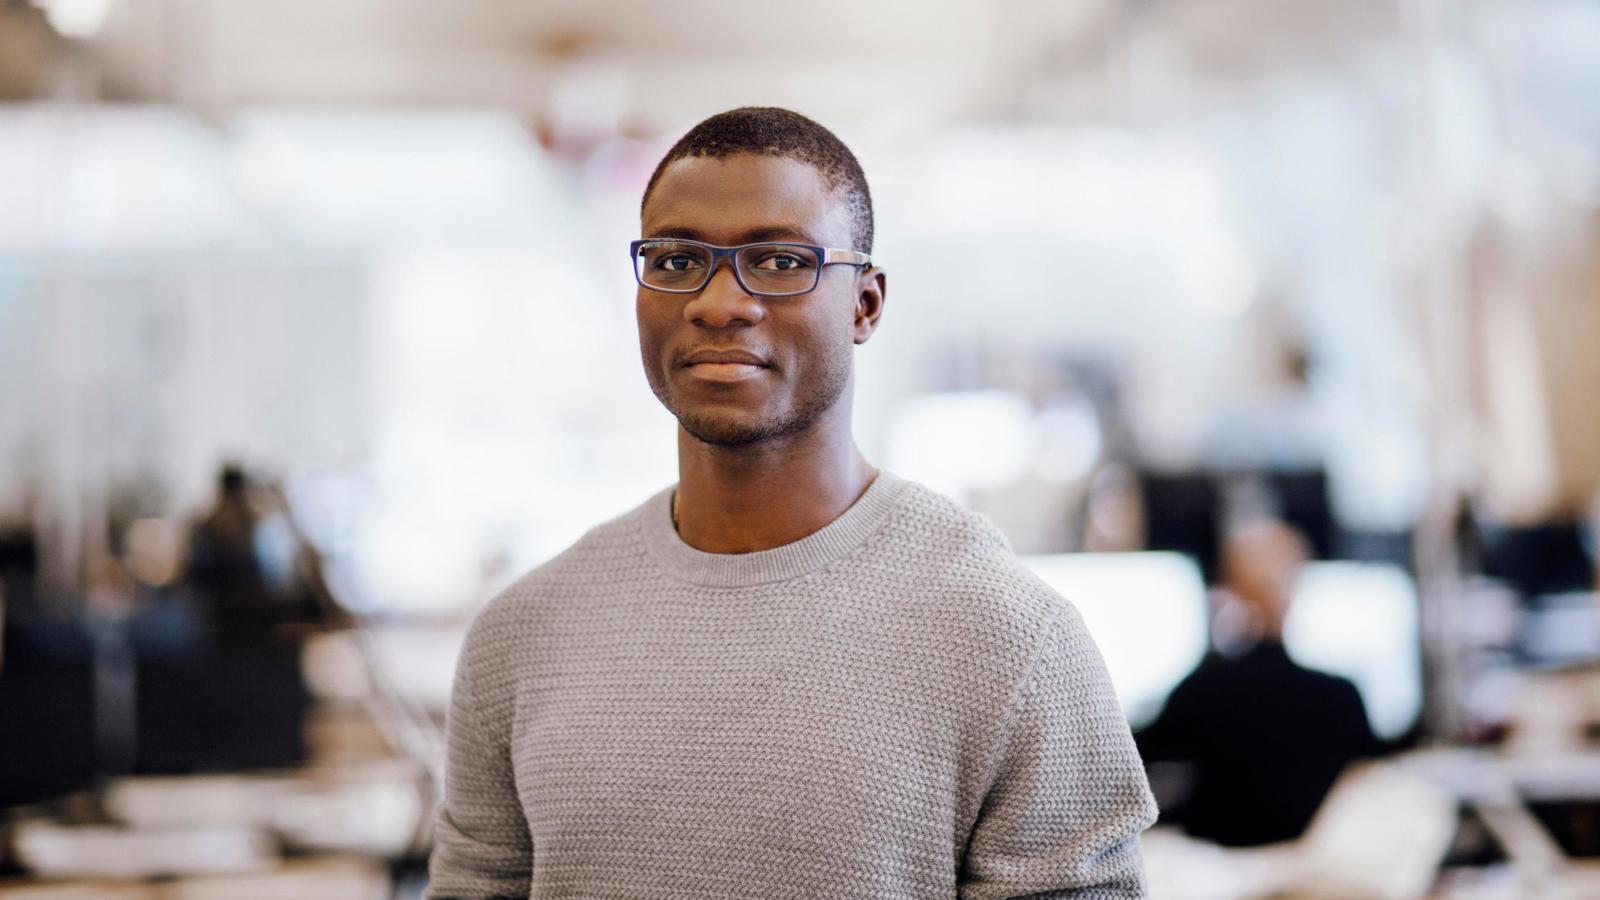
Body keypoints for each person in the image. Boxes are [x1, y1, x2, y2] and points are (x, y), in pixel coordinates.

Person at [425, 107, 1156, 898]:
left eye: (777, 261)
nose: (718, 302)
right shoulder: (522, 637)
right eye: (676, 259)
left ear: (866, 305)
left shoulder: (1009, 636)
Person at [1136, 519, 1380, 847]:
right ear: (1296, 587)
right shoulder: (1341, 696)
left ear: (1229, 588)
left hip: (1220, 876)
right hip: (1317, 875)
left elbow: (1134, 760)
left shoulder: (1201, 691)